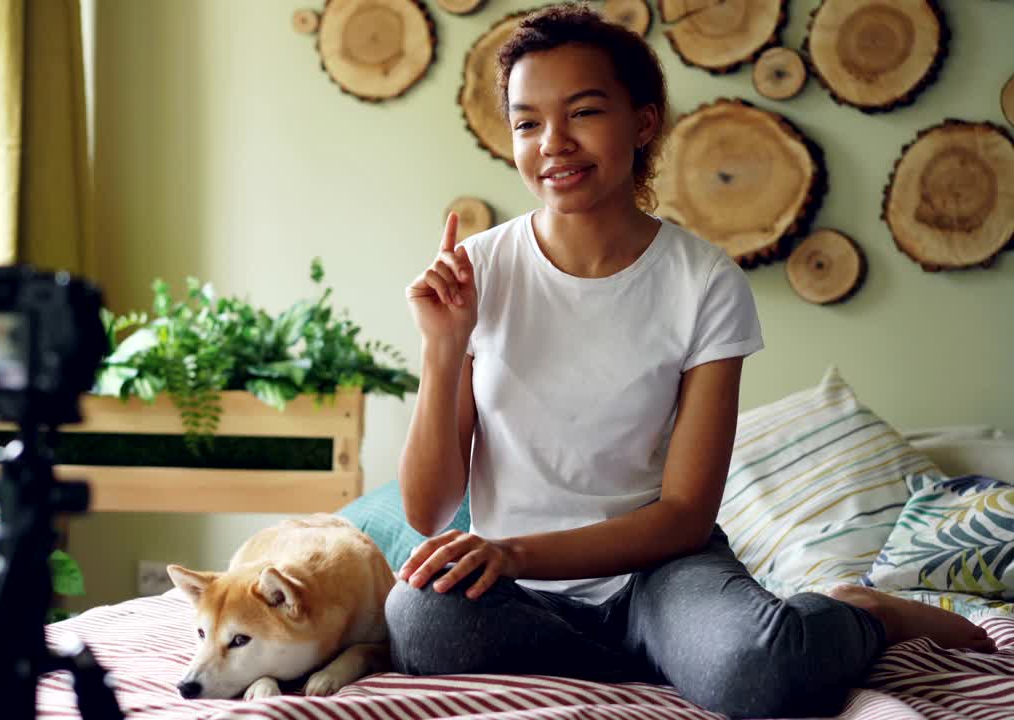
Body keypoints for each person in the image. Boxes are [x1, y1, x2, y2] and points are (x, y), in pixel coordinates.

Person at [388, 4, 995, 718]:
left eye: (583, 112)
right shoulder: (478, 272)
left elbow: (683, 514)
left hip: (661, 573)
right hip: (525, 599)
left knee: (757, 672)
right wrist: (443, 344)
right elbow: (428, 510)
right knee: (418, 618)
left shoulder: (702, 280)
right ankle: (666, 662)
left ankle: (863, 613)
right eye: (527, 122)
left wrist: (516, 553)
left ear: (643, 123)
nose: (553, 143)